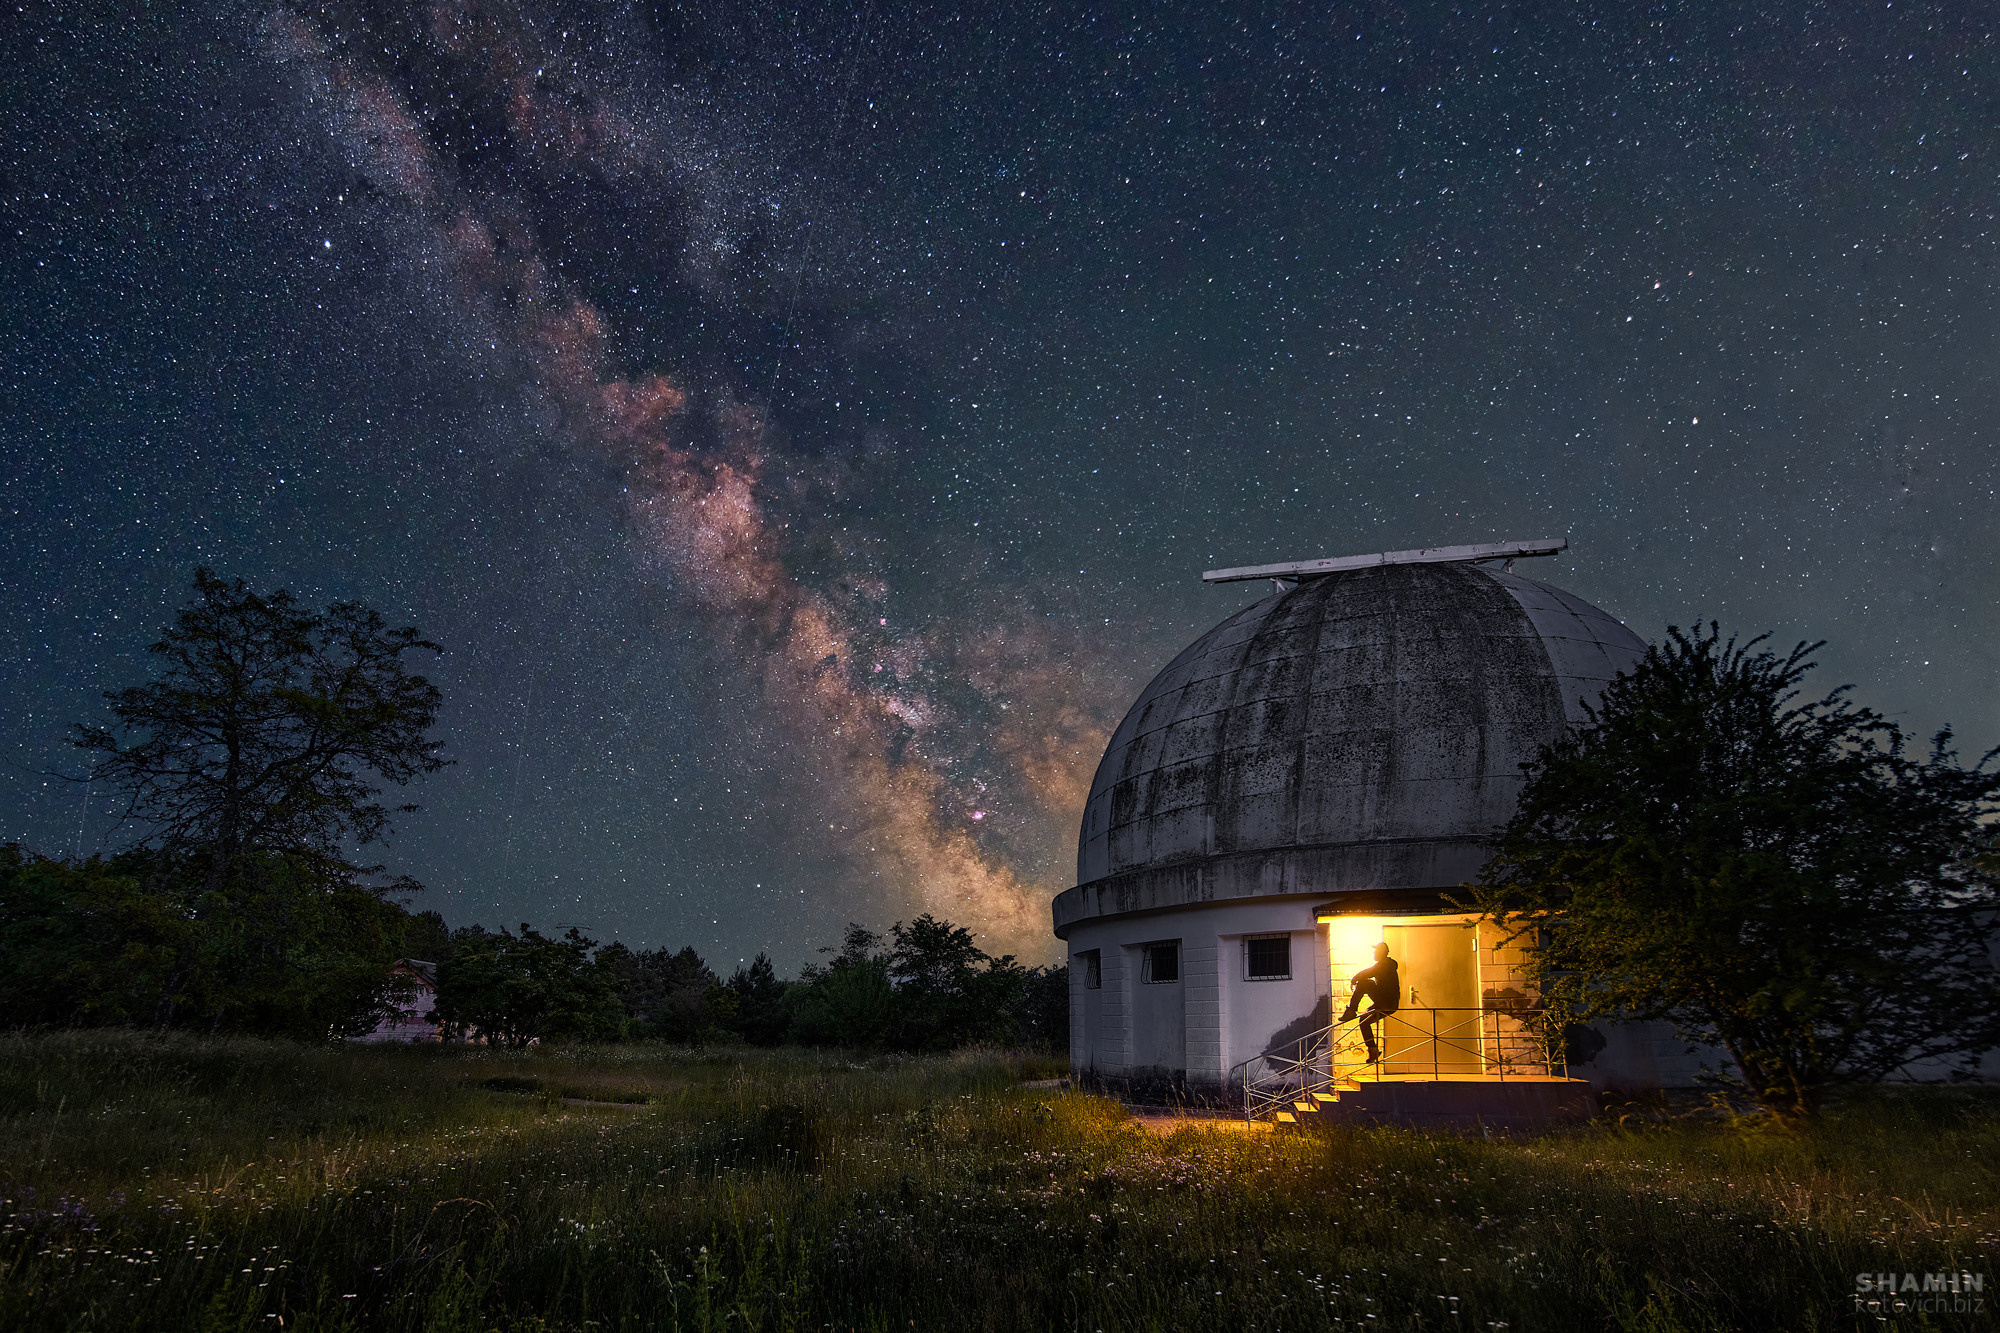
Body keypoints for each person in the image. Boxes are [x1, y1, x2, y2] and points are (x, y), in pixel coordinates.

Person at [1338, 942, 1400, 1063]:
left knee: (1364, 983)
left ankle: (1351, 1011)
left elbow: (1368, 972)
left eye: (1375, 951)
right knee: (1364, 1021)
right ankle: (1373, 1050)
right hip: (1387, 1002)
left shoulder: (1385, 966)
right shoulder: (1385, 965)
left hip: (1386, 1003)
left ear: (1381, 952)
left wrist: (1354, 979)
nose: (1374, 953)